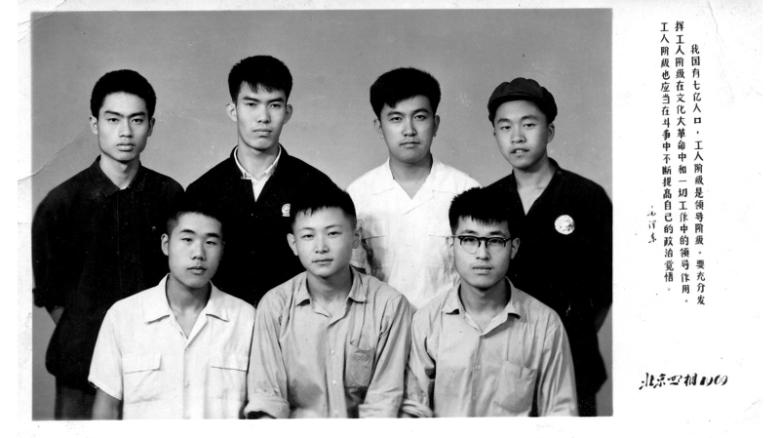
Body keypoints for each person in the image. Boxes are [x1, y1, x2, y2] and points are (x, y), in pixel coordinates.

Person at [31, 69, 183, 419]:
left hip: (157, 368)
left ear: (151, 125)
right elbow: (51, 295)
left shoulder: (170, 196)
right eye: (113, 119)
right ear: (94, 123)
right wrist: (91, 334)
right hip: (81, 366)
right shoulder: (62, 203)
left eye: (137, 120)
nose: (125, 132)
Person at [484, 77, 612, 415]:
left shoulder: (587, 197)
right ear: (495, 133)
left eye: (529, 124)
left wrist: (567, 333)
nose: (517, 137)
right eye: (505, 126)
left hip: (572, 356)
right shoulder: (488, 201)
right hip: (502, 361)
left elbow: (604, 287)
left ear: (550, 131)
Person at [401, 187, 577, 417]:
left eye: (494, 240)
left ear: (513, 248)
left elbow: (560, 415)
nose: (482, 254)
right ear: (450, 245)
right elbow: (414, 412)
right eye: (469, 239)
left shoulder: (545, 325)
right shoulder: (426, 321)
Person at [244, 187, 411, 418]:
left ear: (355, 237)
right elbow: (267, 398)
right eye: (308, 236)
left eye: (332, 233)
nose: (320, 247)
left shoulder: (389, 306)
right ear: (293, 244)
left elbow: (383, 402)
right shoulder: (275, 305)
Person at [187, 55, 336, 306]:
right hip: (224, 329)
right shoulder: (203, 190)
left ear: (287, 112)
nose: (263, 117)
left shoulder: (316, 185)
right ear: (233, 110)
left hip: (295, 328)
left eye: (274, 105)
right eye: (252, 104)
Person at [89, 201, 255, 419]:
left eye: (211, 242)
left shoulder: (245, 318)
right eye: (187, 239)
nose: (199, 253)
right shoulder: (123, 316)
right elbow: (106, 410)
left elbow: (260, 408)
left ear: (223, 248)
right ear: (166, 244)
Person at [347, 67, 479, 310]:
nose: (409, 130)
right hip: (380, 335)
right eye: (396, 119)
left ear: (436, 124)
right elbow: (352, 276)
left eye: (419, 117)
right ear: (379, 126)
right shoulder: (358, 195)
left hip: (450, 332)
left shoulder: (466, 190)